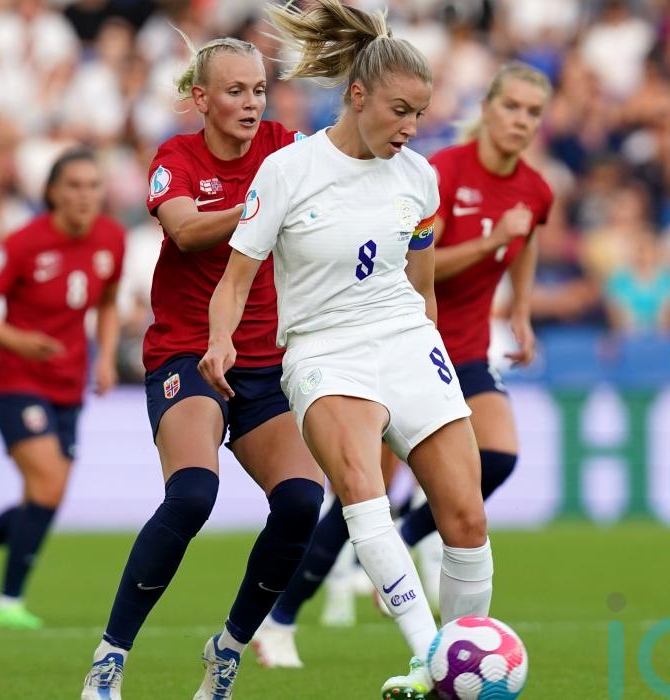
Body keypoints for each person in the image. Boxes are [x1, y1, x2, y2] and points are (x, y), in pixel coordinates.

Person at [202, 2, 494, 696]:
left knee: (467, 516)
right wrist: (219, 341)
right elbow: (236, 279)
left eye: (420, 113)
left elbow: (421, 285)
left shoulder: (418, 178)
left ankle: (458, 665)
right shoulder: (288, 171)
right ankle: (434, 662)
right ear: (357, 95)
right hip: (324, 349)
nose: (411, 127)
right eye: (399, 110)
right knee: (365, 492)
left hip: (407, 341)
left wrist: (434, 356)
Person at [253, 61, 554, 669]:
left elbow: (526, 243)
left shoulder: (535, 189)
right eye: (511, 107)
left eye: (533, 113)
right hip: (397, 339)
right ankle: (282, 616)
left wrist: (521, 309)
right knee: (367, 494)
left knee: (496, 458)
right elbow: (420, 266)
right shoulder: (439, 171)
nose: (521, 121)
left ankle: (414, 547)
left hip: (460, 346)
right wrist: (493, 242)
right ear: (487, 109)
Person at [79, 35, 324, 700]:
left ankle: (229, 648)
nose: (250, 102)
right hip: (186, 353)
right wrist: (263, 206)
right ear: (202, 98)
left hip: (266, 361)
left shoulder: (287, 146)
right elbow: (184, 230)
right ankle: (110, 658)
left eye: (258, 90)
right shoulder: (177, 157)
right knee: (191, 495)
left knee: (302, 502)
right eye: (235, 90)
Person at [0, 148, 125, 629]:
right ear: (53, 193)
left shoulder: (111, 238)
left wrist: (105, 356)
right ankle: (8, 602)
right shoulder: (23, 243)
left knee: (47, 494)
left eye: (93, 186)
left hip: (68, 382)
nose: (85, 196)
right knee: (47, 483)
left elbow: (107, 302)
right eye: (74, 186)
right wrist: (18, 341)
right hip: (15, 379)